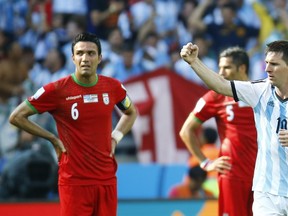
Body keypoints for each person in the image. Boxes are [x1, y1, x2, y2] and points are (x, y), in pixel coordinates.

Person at [9, 32, 138, 216]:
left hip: (106, 179)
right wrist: (52, 138)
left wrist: (116, 137)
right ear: (73, 58)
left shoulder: (113, 87)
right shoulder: (57, 90)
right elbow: (16, 116)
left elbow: (131, 112)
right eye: (80, 53)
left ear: (100, 58)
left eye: (91, 53)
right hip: (74, 181)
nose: (85, 58)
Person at [180, 40, 288, 215]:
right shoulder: (259, 91)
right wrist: (194, 62)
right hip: (263, 189)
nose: (267, 68)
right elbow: (220, 85)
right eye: (266, 63)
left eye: (274, 64)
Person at [179, 46, 258, 216]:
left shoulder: (261, 93)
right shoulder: (216, 96)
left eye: (226, 67)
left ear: (242, 68)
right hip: (233, 174)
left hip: (263, 175)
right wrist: (206, 163)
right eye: (219, 67)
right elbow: (186, 131)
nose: (221, 72)